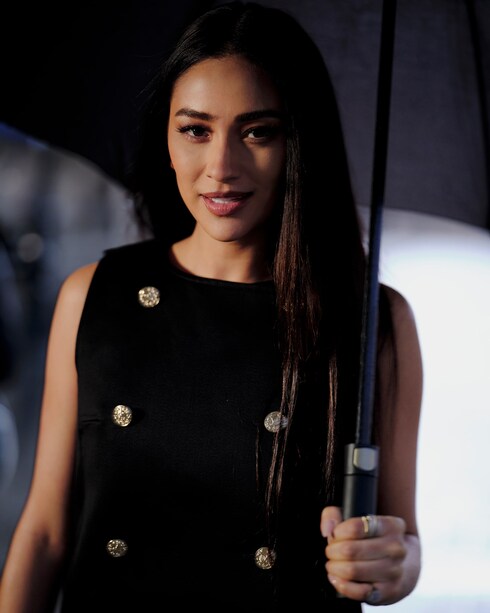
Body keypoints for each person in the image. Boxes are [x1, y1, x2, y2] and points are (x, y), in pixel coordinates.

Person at [0, 2, 423, 611]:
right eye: (196, 130)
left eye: (258, 132)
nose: (221, 168)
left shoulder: (372, 322)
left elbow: (402, 543)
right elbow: (44, 533)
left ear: (300, 143)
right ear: (167, 140)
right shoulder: (92, 294)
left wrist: (389, 563)